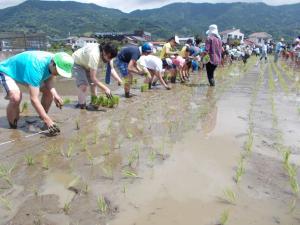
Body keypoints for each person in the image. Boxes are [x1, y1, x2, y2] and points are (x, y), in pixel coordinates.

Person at [0, 51, 74, 135]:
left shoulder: (56, 60)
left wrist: (55, 95)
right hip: (7, 72)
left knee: (49, 92)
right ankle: (13, 129)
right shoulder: (36, 66)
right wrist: (48, 120)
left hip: (25, 72)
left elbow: (49, 78)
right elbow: (34, 99)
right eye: (58, 71)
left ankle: (42, 117)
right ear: (53, 63)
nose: (58, 74)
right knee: (15, 97)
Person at [72, 42, 121, 109]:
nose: (110, 60)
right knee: (83, 86)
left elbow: (111, 69)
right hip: (78, 62)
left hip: (88, 63)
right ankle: (81, 106)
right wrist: (105, 89)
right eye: (109, 57)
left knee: (93, 84)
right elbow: (93, 78)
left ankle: (94, 103)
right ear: (104, 52)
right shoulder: (95, 55)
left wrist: (119, 80)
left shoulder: (109, 56)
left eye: (111, 58)